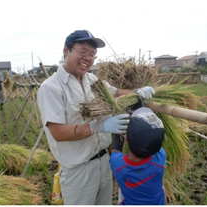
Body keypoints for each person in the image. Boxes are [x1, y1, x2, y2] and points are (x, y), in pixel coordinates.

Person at [37, 29, 155, 205]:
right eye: (82, 51)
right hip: (79, 171)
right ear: (66, 50)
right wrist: (98, 126)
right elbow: (58, 132)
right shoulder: (51, 88)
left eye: (92, 54)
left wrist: (136, 93)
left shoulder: (91, 80)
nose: (88, 58)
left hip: (104, 163)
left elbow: (114, 93)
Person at [110, 106, 166, 205]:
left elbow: (115, 149)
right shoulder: (160, 159)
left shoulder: (118, 165)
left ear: (126, 138)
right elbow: (154, 138)